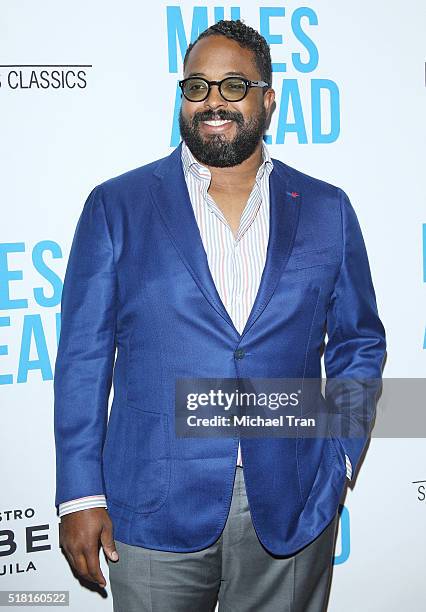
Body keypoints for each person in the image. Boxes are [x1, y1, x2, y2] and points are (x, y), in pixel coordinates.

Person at [54, 19, 386, 612]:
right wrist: (80, 496)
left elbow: (359, 342)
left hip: (293, 501)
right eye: (197, 86)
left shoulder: (326, 209)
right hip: (151, 505)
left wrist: (337, 456)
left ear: (268, 99)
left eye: (235, 86)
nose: (214, 102)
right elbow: (83, 359)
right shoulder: (117, 206)